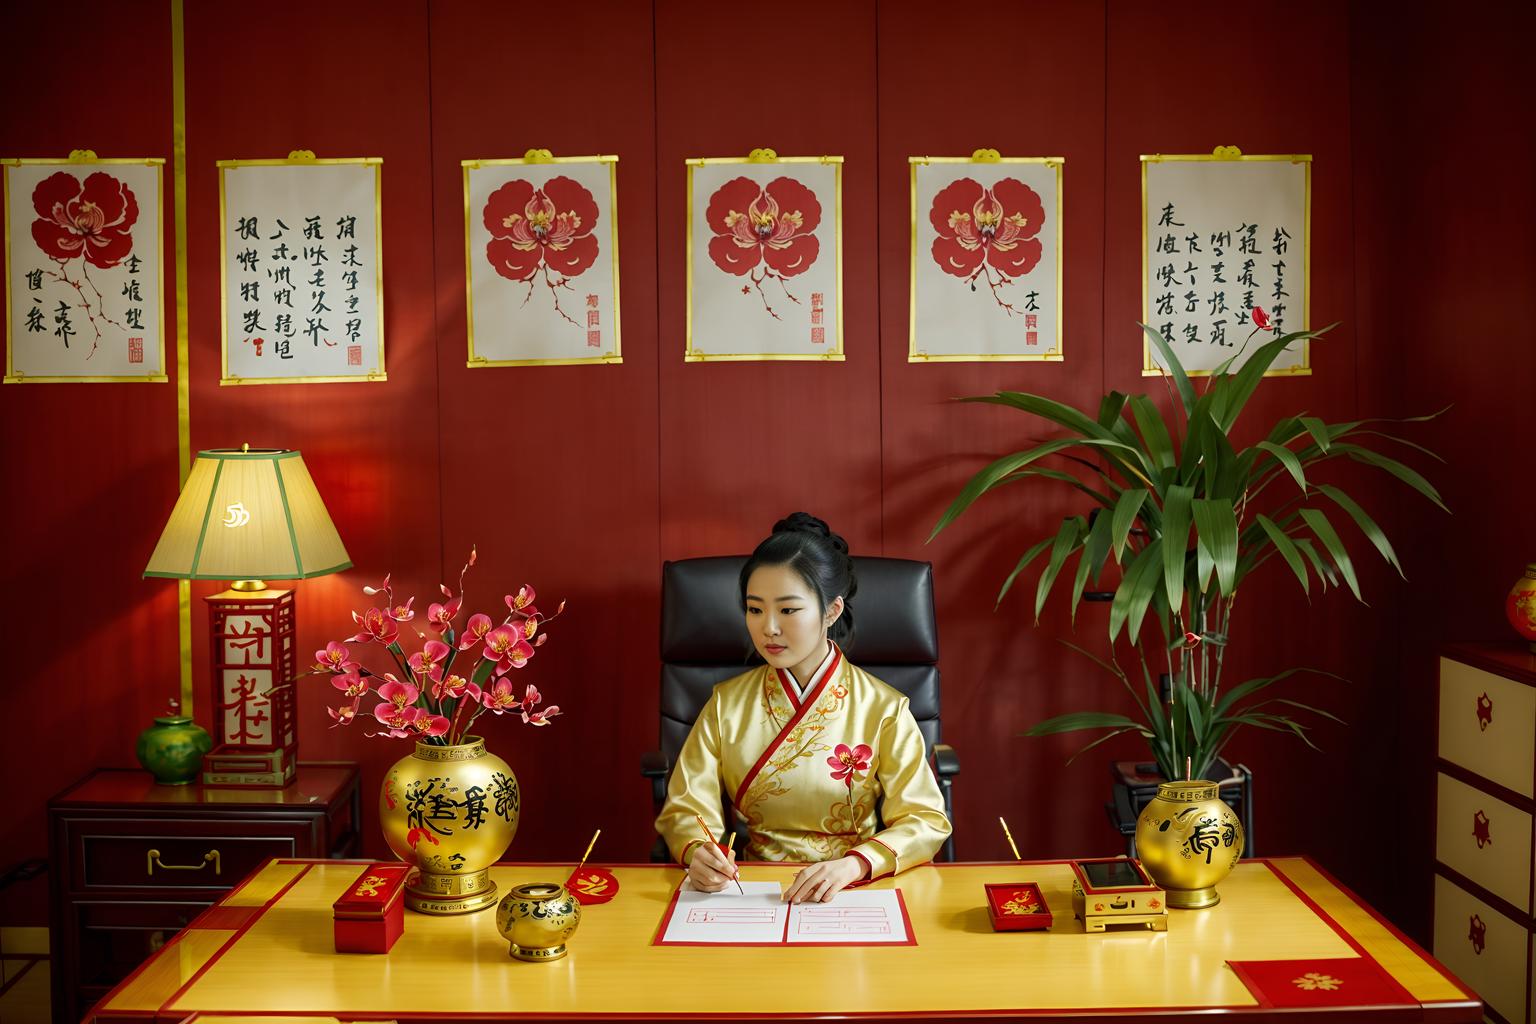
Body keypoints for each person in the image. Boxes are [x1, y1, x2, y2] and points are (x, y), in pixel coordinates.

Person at [655, 513, 952, 903]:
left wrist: (855, 864)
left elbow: (925, 819)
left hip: (853, 886)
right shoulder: (726, 704)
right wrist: (699, 853)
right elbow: (688, 809)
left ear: (831, 611)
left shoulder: (883, 709)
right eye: (755, 609)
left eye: (789, 610)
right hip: (753, 888)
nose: (769, 628)